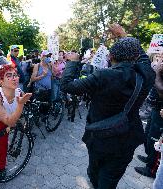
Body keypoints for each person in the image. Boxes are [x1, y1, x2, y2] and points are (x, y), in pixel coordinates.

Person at [60, 36, 155, 188]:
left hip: (100, 137)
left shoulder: (103, 76)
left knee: (94, 173)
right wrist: (124, 34)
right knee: (110, 179)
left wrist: (72, 62)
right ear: (136, 56)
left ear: (110, 56)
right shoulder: (146, 75)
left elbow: (67, 85)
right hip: (127, 138)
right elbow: (144, 59)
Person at [135, 53, 163, 178]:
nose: (160, 55)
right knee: (149, 135)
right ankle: (149, 157)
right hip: (156, 107)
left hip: (161, 111)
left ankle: (151, 169)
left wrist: (156, 73)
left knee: (155, 138)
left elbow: (161, 89)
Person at [28, 50, 52, 118]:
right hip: (39, 90)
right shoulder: (37, 66)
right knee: (38, 107)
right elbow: (33, 79)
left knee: (46, 106)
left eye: (49, 56)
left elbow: (51, 77)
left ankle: (44, 119)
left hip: (48, 90)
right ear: (42, 57)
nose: (49, 58)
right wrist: (42, 75)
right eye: (47, 56)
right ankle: (36, 118)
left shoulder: (49, 65)